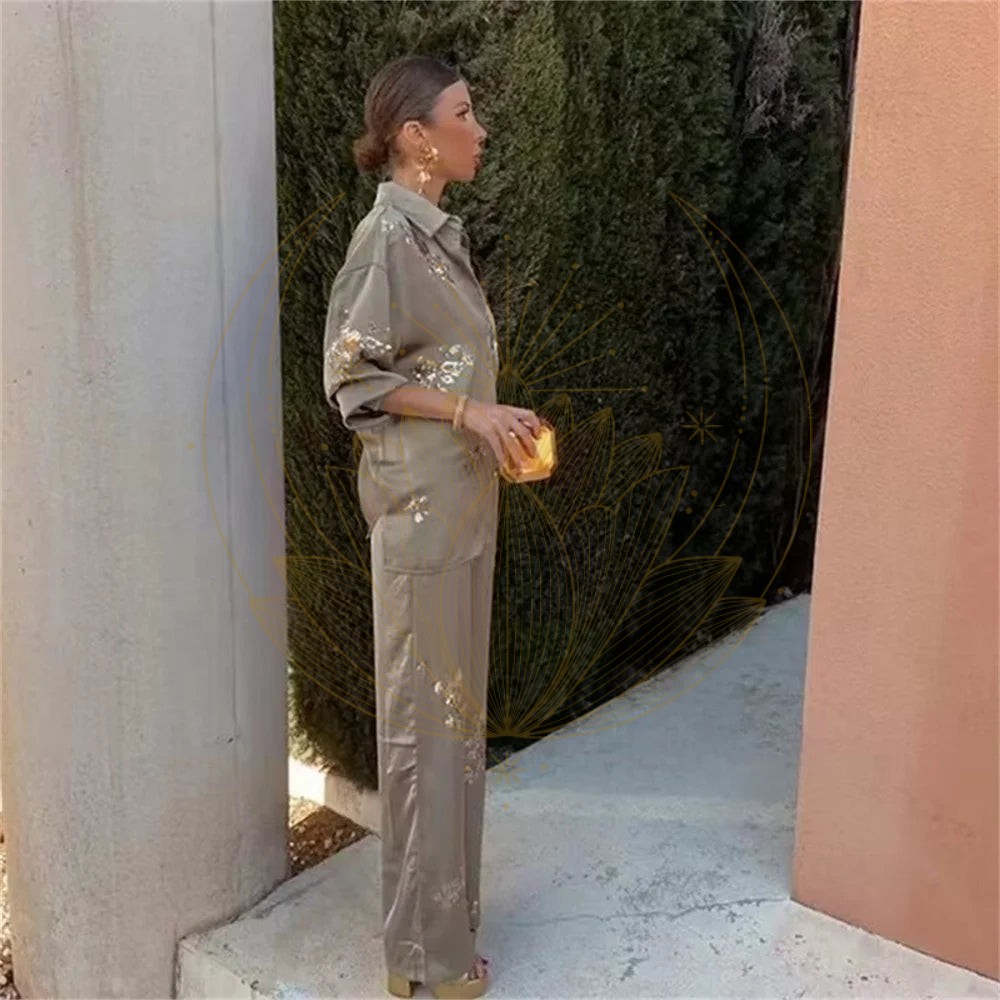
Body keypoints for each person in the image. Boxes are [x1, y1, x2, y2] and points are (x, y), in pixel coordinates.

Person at [322, 55, 543, 999]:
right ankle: (423, 963)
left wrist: (491, 422)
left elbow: (441, 367)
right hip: (419, 518)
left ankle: (444, 930)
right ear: (415, 136)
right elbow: (351, 376)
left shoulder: (436, 239)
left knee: (453, 726)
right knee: (423, 729)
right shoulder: (385, 241)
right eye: (463, 113)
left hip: (460, 509)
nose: (478, 129)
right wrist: (467, 414)